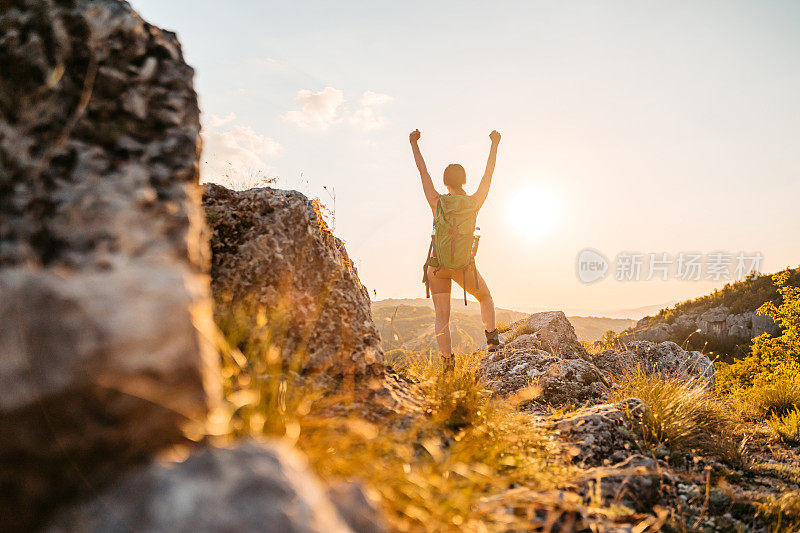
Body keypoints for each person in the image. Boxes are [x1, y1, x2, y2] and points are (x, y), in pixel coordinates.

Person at [409, 128, 503, 370]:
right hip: (463, 267)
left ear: (445, 182)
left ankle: (448, 364)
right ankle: (492, 340)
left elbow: (423, 171)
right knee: (485, 297)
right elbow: (488, 174)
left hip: (437, 266)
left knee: (442, 317)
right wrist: (494, 144)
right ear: (463, 181)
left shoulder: (436, 201)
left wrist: (414, 144)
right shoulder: (475, 202)